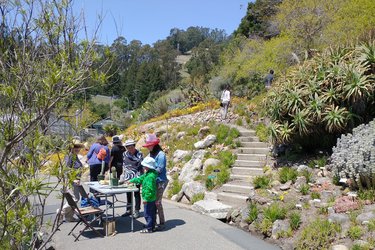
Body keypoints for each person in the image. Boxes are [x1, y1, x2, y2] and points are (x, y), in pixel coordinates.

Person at [143, 134, 168, 230]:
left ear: (154, 145)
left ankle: (161, 223)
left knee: (157, 202)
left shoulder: (161, 154)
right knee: (152, 202)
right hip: (153, 180)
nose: (148, 147)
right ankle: (152, 223)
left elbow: (160, 168)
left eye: (149, 145)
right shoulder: (151, 154)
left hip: (160, 181)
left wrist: (149, 175)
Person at [128, 157, 158, 233]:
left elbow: (149, 189)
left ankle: (149, 228)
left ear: (148, 166)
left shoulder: (150, 177)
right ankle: (151, 225)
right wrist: (132, 180)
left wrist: (146, 199)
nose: (144, 167)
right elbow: (140, 178)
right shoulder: (149, 173)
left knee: (147, 214)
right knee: (152, 213)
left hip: (149, 198)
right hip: (152, 198)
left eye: (145, 166)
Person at [121, 139, 143, 218]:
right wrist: (124, 176)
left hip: (136, 176)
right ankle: (129, 210)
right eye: (128, 147)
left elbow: (141, 167)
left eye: (131, 147)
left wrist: (140, 179)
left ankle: (137, 210)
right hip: (128, 177)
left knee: (136, 194)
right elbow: (124, 165)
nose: (130, 149)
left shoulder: (139, 154)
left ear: (134, 146)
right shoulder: (124, 154)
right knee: (128, 194)